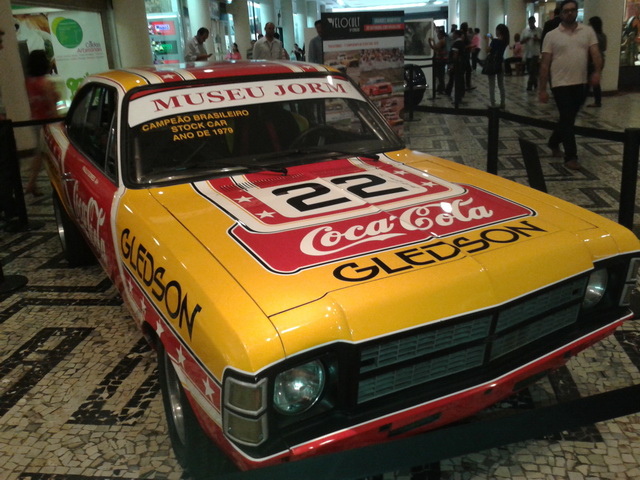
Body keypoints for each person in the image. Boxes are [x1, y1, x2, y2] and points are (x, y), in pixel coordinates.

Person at [539, 0, 602, 171]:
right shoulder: (551, 35)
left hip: (580, 83)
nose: (569, 13)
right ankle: (571, 157)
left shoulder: (587, 31)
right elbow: (545, 64)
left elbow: (595, 53)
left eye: (572, 10)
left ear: (576, 12)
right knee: (567, 118)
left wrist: (597, 72)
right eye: (566, 11)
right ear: (561, 14)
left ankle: (553, 142)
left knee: (568, 118)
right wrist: (542, 89)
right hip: (560, 83)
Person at [25, 50, 60, 196]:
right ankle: (32, 183)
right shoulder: (45, 83)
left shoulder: (29, 82)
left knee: (39, 153)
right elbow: (52, 106)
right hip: (47, 122)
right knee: (46, 154)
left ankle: (32, 183)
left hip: (35, 119)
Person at [485, 24, 509, 110]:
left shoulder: (494, 41)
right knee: (501, 85)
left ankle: (493, 103)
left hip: (492, 63)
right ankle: (503, 102)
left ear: (499, 31)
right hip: (500, 63)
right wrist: (492, 39)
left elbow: (488, 50)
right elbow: (498, 47)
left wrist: (488, 40)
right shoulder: (505, 41)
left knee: (492, 84)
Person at [586, 16, 607, 108]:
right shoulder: (603, 35)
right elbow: (605, 48)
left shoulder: (593, 36)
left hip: (592, 60)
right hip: (601, 58)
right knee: (595, 81)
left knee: (589, 80)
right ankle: (597, 101)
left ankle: (595, 101)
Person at [444, 29, 466, 107]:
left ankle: (457, 98)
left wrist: (452, 64)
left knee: (457, 81)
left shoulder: (456, 44)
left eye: (454, 34)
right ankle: (457, 95)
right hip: (461, 65)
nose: (452, 35)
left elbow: (455, 54)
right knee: (458, 80)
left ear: (457, 35)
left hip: (457, 65)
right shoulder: (461, 43)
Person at [521, 16, 543, 91]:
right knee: (530, 70)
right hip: (528, 53)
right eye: (530, 22)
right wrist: (526, 39)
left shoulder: (539, 30)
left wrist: (537, 39)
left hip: (536, 52)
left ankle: (529, 85)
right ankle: (535, 82)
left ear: (535, 21)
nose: (531, 23)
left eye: (533, 22)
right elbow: (521, 41)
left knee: (532, 68)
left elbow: (543, 41)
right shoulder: (525, 31)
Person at [429, 29, 448, 94]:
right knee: (440, 74)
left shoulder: (442, 41)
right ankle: (441, 87)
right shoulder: (442, 41)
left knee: (440, 74)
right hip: (441, 59)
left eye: (438, 34)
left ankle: (441, 88)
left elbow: (435, 47)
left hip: (441, 59)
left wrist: (431, 42)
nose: (437, 35)